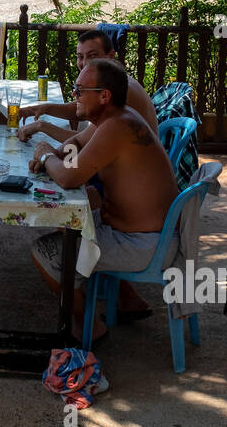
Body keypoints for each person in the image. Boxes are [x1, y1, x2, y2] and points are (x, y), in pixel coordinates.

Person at [26, 59, 179, 342]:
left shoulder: (117, 127)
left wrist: (47, 156)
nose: (74, 96)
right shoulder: (115, 117)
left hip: (145, 245)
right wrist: (55, 155)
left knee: (44, 251)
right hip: (138, 233)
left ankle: (89, 325)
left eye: (80, 90)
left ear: (104, 96)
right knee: (67, 224)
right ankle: (97, 297)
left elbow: (70, 178)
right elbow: (77, 145)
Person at [17, 27, 158, 143]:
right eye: (80, 56)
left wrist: (41, 126)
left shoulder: (121, 90)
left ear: (111, 56)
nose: (84, 63)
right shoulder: (113, 79)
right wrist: (44, 108)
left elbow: (84, 142)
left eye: (92, 55)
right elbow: (83, 109)